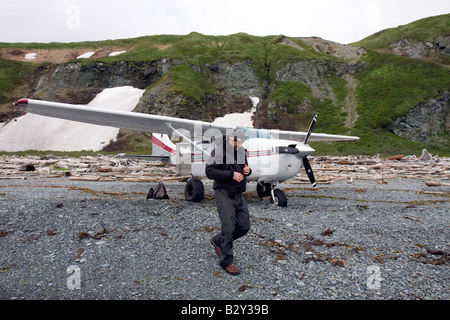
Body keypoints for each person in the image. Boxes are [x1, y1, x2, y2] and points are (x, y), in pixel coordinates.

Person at [205, 129, 251, 275]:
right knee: (229, 227)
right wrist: (231, 175)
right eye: (237, 141)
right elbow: (209, 172)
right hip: (223, 193)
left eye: (242, 142)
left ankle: (218, 241)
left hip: (238, 194)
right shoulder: (219, 151)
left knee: (244, 226)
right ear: (231, 139)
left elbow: (245, 169)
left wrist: (248, 171)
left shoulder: (242, 151)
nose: (240, 145)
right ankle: (227, 261)